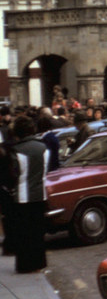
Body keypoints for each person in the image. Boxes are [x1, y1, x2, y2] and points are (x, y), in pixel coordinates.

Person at [3, 116, 53, 273]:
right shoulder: (43, 148)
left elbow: (13, 175)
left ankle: (26, 265)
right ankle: (39, 263)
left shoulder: (16, 150)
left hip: (22, 197)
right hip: (40, 195)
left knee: (24, 233)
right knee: (38, 232)